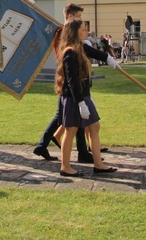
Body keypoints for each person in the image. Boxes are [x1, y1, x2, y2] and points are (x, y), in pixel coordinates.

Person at [33, 3, 119, 162]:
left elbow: (86, 51)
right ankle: (74, 153)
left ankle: (51, 146)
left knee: (69, 119)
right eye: (78, 17)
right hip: (70, 83)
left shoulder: (73, 34)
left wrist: (107, 58)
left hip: (78, 83)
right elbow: (70, 59)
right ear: (71, 17)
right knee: (69, 120)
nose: (81, 22)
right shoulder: (65, 34)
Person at [55, 18, 116, 176]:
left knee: (94, 126)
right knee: (71, 131)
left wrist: (108, 59)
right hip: (74, 98)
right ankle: (65, 166)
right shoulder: (70, 52)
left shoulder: (81, 47)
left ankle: (98, 164)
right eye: (83, 29)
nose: (86, 32)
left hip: (84, 95)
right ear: (74, 32)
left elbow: (95, 53)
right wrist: (81, 102)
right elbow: (72, 81)